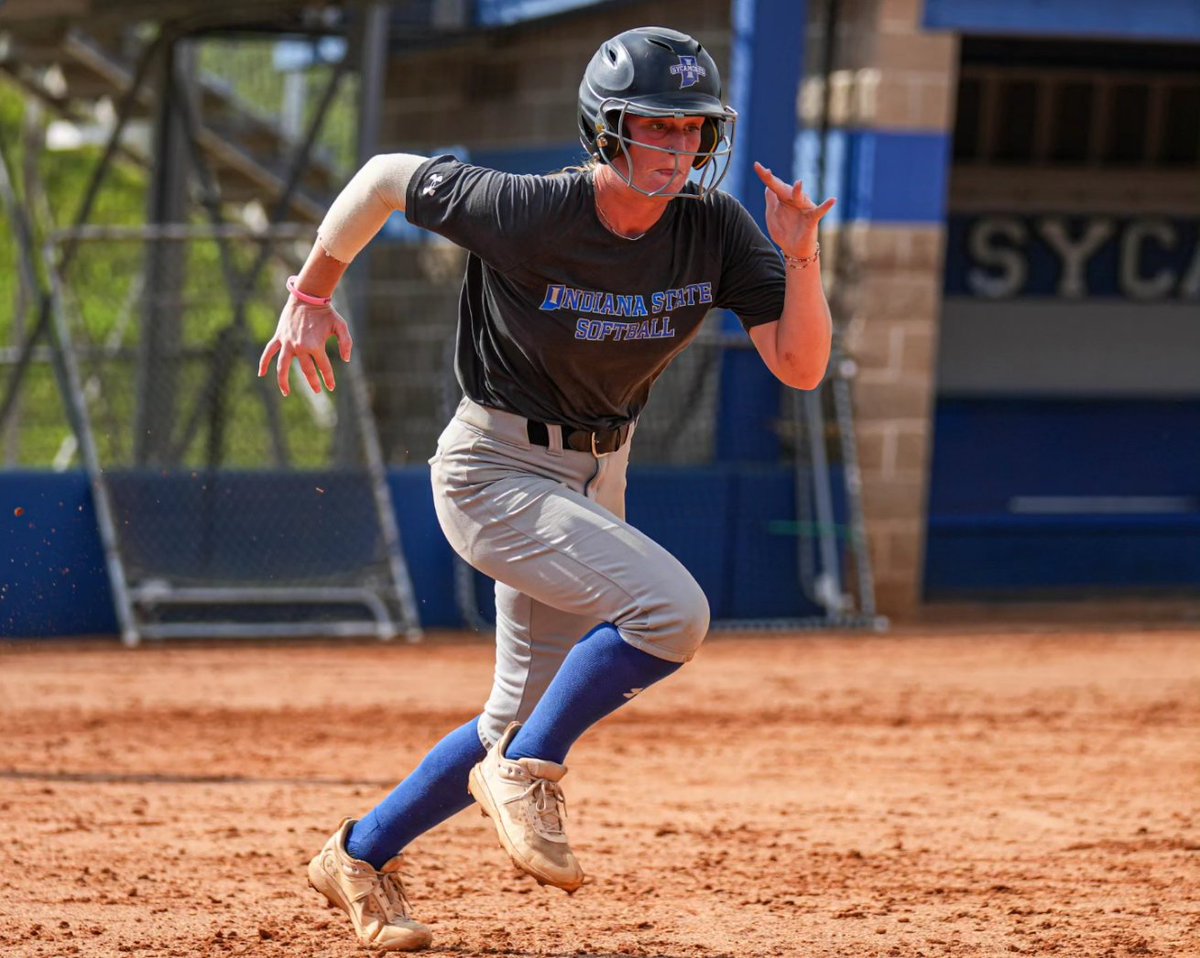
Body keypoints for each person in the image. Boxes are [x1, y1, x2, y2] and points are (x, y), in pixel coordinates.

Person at [258, 25, 835, 952]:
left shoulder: (714, 228)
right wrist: (314, 288)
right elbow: (381, 178)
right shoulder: (529, 208)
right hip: (493, 468)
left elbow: (800, 366)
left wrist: (800, 254)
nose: (680, 147)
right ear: (606, 129)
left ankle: (359, 855)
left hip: (597, 473)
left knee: (511, 714)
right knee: (672, 614)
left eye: (694, 129)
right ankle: (529, 768)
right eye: (657, 127)